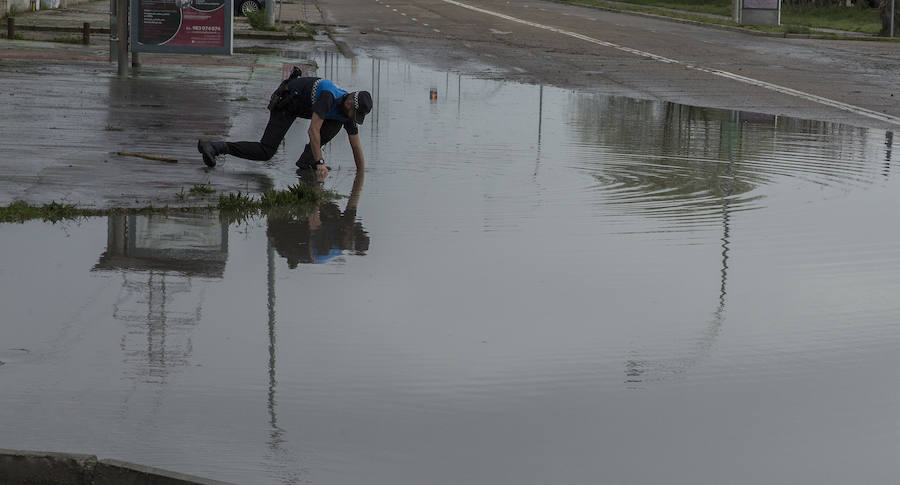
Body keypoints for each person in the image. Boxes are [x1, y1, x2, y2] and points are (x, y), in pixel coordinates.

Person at [198, 70, 373, 178]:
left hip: (302, 106)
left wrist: (361, 175)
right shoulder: (329, 97)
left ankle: (307, 162)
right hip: (287, 101)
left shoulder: (347, 113)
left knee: (336, 123)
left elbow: (356, 147)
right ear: (350, 103)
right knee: (266, 151)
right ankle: (214, 147)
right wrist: (321, 161)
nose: (354, 118)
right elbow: (313, 131)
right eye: (355, 114)